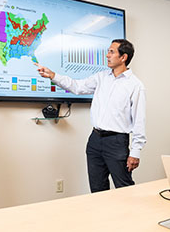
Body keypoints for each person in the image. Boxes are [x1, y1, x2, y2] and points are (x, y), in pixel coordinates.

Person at [36, 39, 146, 193]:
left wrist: (135, 152)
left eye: (111, 52)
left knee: (124, 189)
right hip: (95, 140)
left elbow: (139, 121)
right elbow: (77, 86)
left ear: (123, 57)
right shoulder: (101, 77)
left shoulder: (135, 85)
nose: (107, 55)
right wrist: (53, 75)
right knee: (97, 189)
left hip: (117, 142)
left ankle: (133, 217)